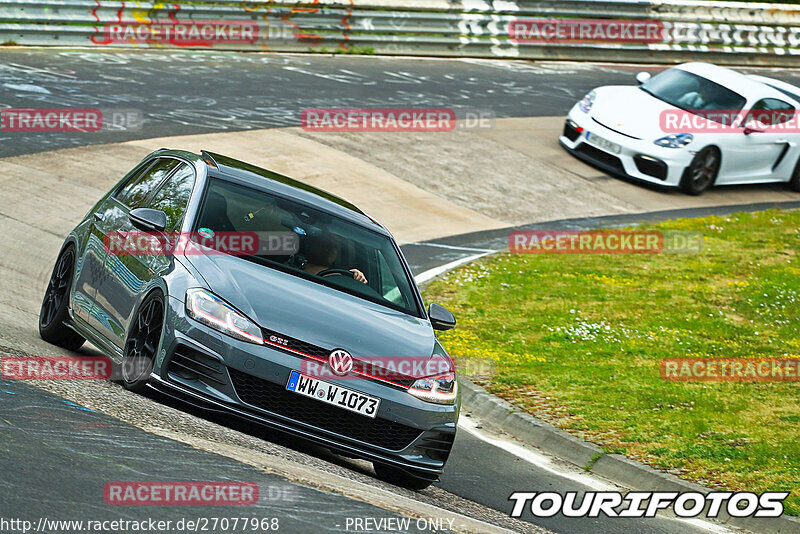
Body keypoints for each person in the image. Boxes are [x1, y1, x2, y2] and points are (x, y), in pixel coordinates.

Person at [300, 233, 367, 284]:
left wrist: (358, 279)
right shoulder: (292, 269)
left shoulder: (339, 278)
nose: (327, 250)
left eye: (332, 247)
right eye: (323, 245)